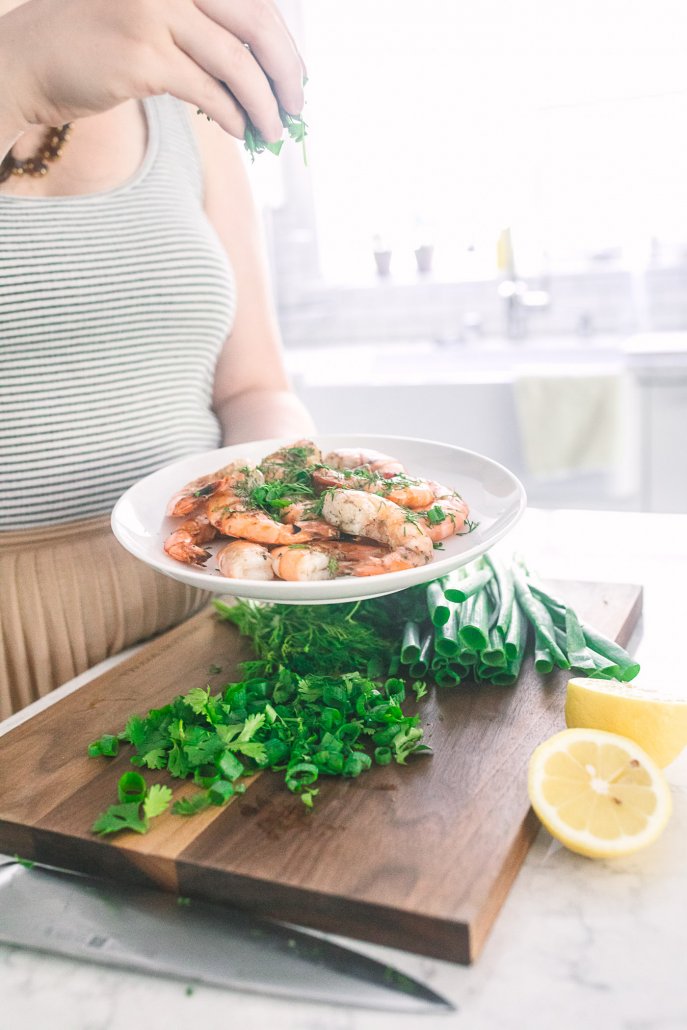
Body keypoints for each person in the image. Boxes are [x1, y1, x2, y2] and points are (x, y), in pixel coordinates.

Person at [0, 0, 316, 719]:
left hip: (195, 609)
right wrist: (12, 72)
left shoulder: (178, 100)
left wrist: (293, 504)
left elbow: (254, 387)